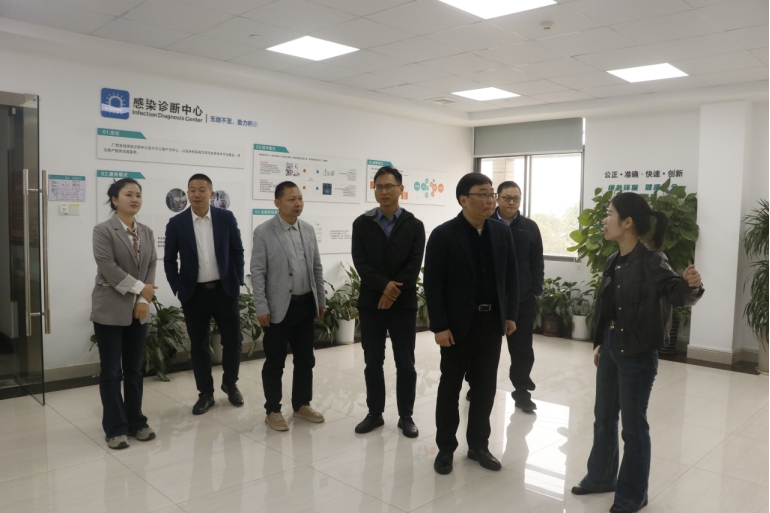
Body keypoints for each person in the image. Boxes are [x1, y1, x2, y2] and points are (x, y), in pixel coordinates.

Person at [571, 192, 704, 513]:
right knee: (603, 417)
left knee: (632, 427)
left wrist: (691, 286)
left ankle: (632, 495)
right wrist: (602, 344)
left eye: (609, 214)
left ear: (627, 222)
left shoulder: (653, 261)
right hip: (612, 346)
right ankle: (601, 477)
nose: (605, 220)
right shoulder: (613, 260)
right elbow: (607, 308)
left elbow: (676, 293)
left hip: (637, 354)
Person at [424, 172, 519, 475]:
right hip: (456, 326)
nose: (490, 200)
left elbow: (511, 277)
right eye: (483, 194)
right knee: (450, 388)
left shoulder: (501, 232)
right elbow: (433, 285)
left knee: (485, 388)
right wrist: (439, 326)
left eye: (492, 194)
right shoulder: (443, 235)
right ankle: (445, 448)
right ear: (463, 199)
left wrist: (510, 314)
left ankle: (479, 445)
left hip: (491, 323)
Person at [351, 166, 425, 438]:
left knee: (405, 362)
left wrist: (391, 292)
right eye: (379, 187)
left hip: (403, 305)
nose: (383, 191)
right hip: (371, 304)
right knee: (373, 362)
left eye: (389, 186)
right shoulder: (362, 223)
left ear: (400, 189)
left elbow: (413, 266)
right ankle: (375, 413)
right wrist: (384, 287)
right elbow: (361, 263)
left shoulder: (414, 225)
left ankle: (406, 416)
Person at [164, 173, 245, 415]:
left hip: (225, 291)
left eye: (202, 190)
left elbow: (237, 251)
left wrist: (237, 281)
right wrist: (178, 288)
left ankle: (230, 384)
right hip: (194, 294)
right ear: (187, 194)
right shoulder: (177, 223)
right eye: (192, 190)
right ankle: (205, 394)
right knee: (199, 346)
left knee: (233, 341)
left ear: (211, 193)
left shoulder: (225, 218)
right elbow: (169, 260)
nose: (196, 194)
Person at [251, 181, 326, 431]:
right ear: (277, 203)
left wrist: (320, 300)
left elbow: (316, 267)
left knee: (306, 359)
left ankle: (301, 405)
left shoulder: (308, 230)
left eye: (300, 199)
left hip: (305, 305)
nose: (297, 204)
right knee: (275, 361)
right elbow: (258, 272)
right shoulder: (264, 232)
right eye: (291, 199)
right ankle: (272, 410)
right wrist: (261, 307)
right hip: (278, 308)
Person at [91, 178, 158, 449]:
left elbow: (151, 264)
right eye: (128, 194)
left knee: (134, 369)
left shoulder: (147, 232)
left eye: (138, 195)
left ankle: (136, 422)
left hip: (138, 308)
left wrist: (143, 299)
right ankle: (115, 428)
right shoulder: (103, 230)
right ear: (115, 200)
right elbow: (109, 268)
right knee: (111, 371)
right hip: (110, 308)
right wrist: (142, 289)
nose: (135, 199)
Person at [467, 181, 543, 412]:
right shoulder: (484, 223)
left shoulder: (529, 227)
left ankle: (522, 392)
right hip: (491, 301)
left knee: (522, 350)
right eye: (507, 198)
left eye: (516, 198)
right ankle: (475, 385)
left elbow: (536, 262)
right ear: (497, 198)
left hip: (521, 300)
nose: (511, 202)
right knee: (481, 348)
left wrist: (535, 291)